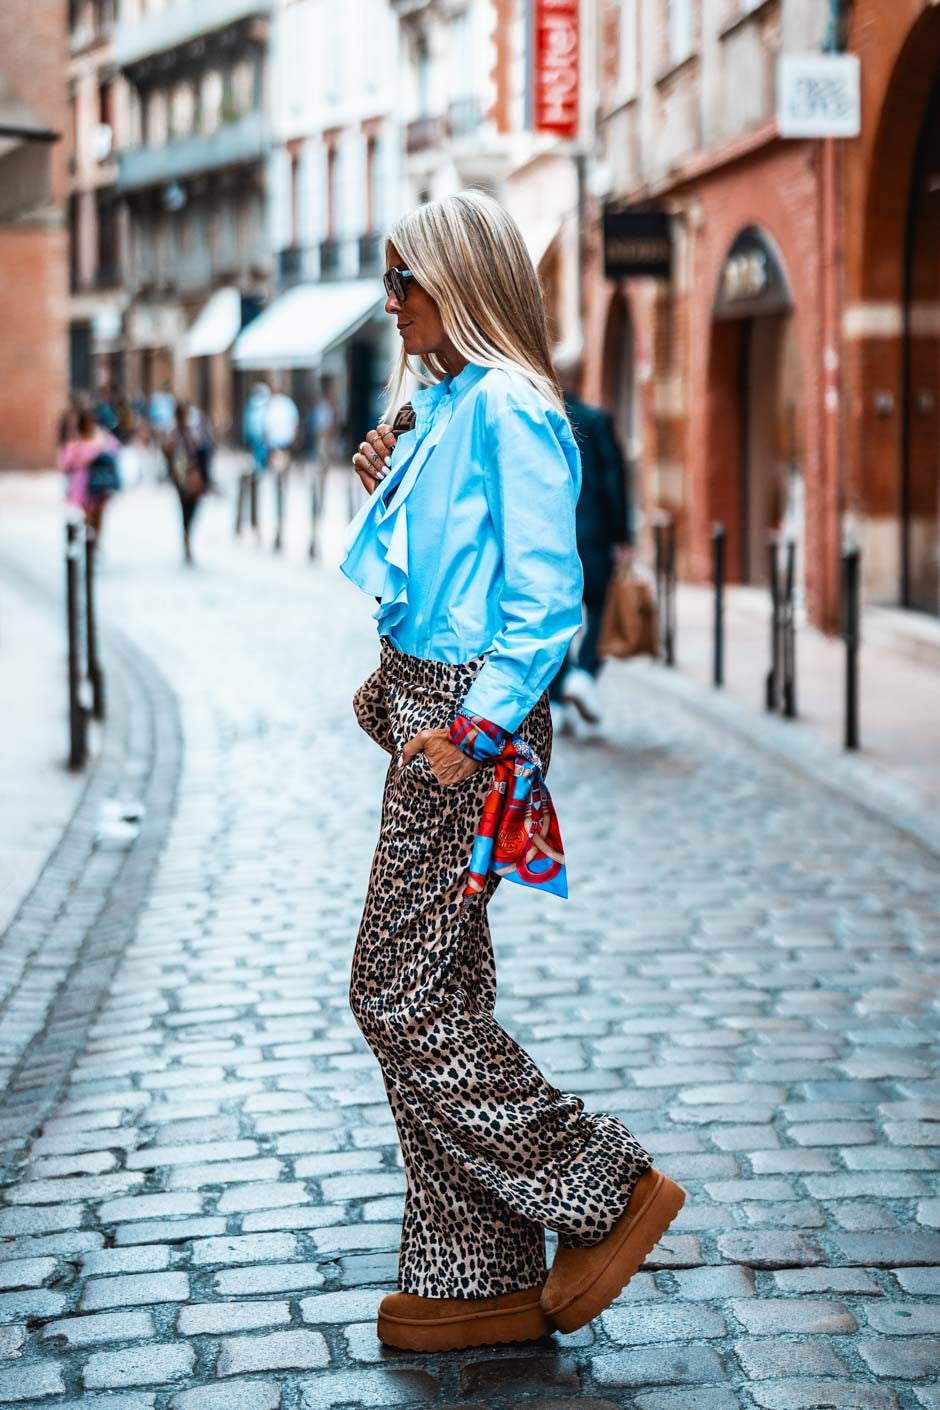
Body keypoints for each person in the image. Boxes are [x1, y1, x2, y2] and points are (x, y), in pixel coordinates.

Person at [341, 191, 683, 1354]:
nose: (392, 302)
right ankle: (472, 1262)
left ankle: (601, 1187)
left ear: (465, 281)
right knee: (436, 983)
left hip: (464, 731)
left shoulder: (515, 409)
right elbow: (438, 568)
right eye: (388, 280)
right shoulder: (448, 401)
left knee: (395, 988)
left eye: (408, 280)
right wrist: (385, 468)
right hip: (427, 714)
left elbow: (543, 604)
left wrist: (474, 733)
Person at [549, 345, 634, 731]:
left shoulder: (540, 419)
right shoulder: (596, 421)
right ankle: (583, 675)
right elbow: (614, 480)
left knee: (549, 617)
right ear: (580, 378)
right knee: (600, 606)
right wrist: (622, 534)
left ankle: (559, 692)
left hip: (551, 536)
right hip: (595, 534)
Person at [59, 406, 121, 537]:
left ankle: (94, 540)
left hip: (100, 482)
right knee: (86, 514)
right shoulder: (76, 442)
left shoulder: (103, 438)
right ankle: (88, 538)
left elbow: (115, 451)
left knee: (98, 513)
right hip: (83, 484)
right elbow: (65, 463)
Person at [163, 402, 207, 564]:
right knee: (184, 506)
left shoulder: (194, 432)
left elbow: (203, 453)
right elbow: (166, 453)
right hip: (179, 477)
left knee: (193, 506)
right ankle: (186, 535)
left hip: (194, 475)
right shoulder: (172, 433)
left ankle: (188, 533)